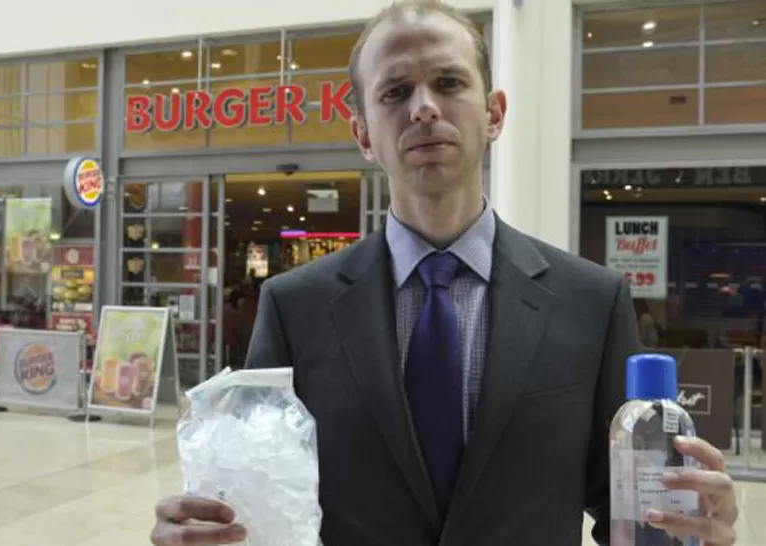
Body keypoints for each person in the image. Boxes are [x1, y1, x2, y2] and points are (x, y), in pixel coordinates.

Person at [150, 1, 740, 545]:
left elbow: (632, 518)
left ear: (494, 114)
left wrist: (691, 526)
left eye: (450, 82)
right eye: (395, 91)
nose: (424, 106)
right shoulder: (294, 307)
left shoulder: (591, 302)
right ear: (363, 135)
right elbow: (254, 507)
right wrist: (203, 528)